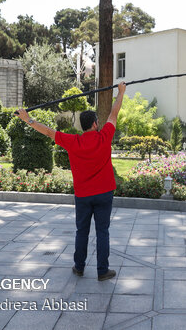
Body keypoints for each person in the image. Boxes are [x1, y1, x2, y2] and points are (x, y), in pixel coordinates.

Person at [16, 82, 126, 282]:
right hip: (104, 193)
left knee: (81, 230)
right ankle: (103, 271)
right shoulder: (104, 136)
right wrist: (121, 92)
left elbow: (49, 132)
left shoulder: (73, 141)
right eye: (97, 121)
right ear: (94, 124)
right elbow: (114, 113)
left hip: (83, 195)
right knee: (103, 231)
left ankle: (79, 267)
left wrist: (28, 119)